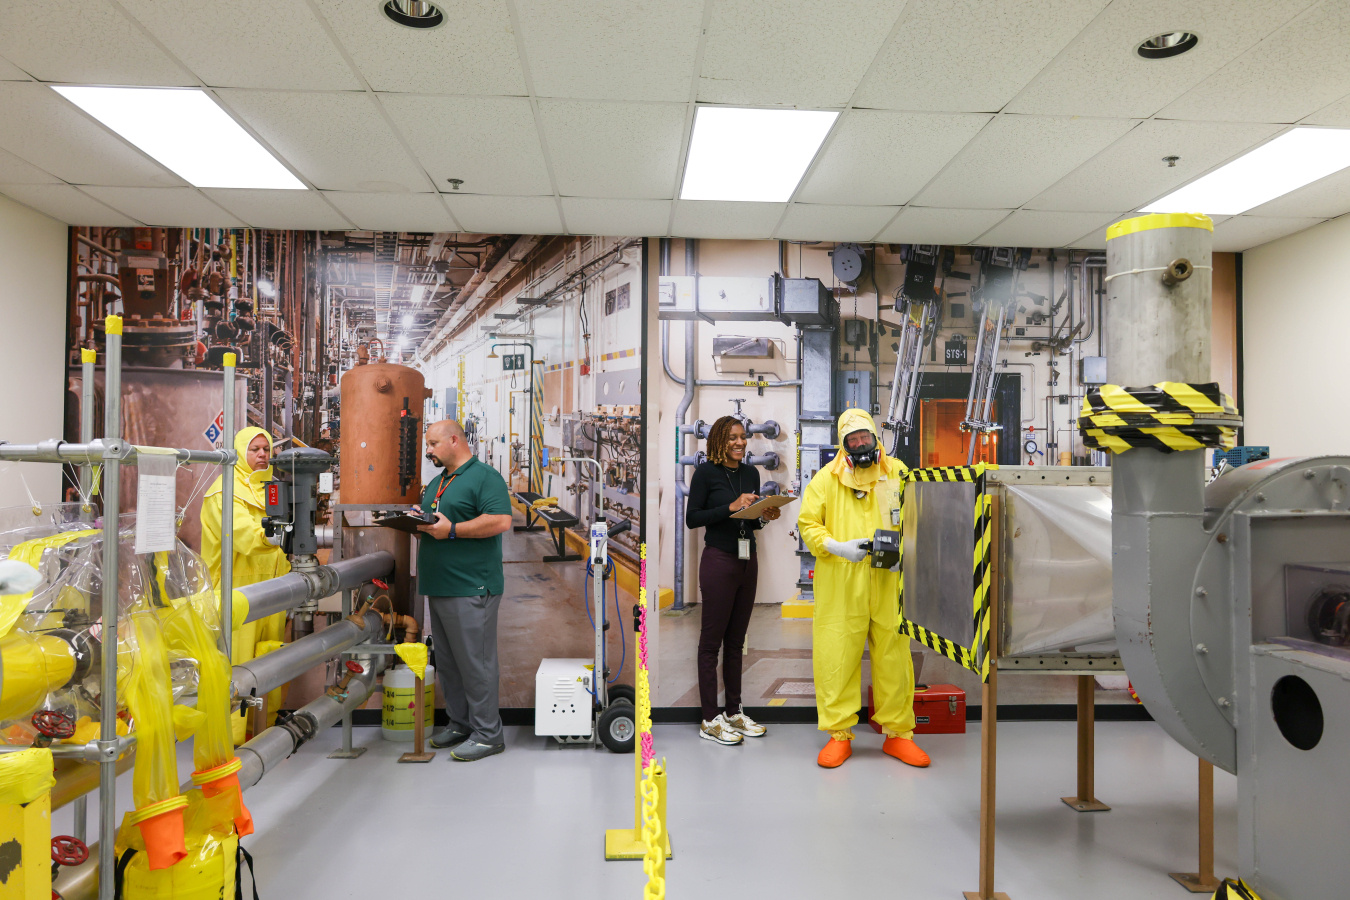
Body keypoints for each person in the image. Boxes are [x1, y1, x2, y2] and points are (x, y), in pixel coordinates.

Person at [798, 408, 927, 769]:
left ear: (875, 438)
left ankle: (898, 734)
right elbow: (808, 524)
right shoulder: (826, 479)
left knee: (894, 658)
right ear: (843, 445)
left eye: (864, 438)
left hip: (889, 581)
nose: (859, 445)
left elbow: (921, 514)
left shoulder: (898, 472)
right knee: (837, 656)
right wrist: (837, 547)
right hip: (842, 582)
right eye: (851, 440)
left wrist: (909, 551)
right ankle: (839, 735)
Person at [416, 418, 513, 762]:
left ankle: (489, 735)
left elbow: (501, 520)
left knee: (477, 663)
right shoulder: (440, 481)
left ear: (454, 440)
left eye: (432, 444)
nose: (428, 451)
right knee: (450, 663)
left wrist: (453, 529)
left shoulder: (484, 478)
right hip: (440, 584)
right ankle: (460, 723)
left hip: (471, 585)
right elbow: (437, 521)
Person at [685, 416, 781, 745]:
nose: (740, 443)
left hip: (746, 561)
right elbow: (692, 518)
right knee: (711, 644)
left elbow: (749, 523)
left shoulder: (751, 473)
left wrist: (764, 516)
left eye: (743, 437)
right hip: (718, 561)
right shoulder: (705, 474)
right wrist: (730, 506)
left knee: (737, 643)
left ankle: (734, 712)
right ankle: (710, 720)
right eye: (733, 438)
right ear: (718, 441)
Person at [201, 426, 289, 742]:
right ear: (240, 453)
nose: (263, 455)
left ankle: (263, 727)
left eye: (266, 449)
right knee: (237, 664)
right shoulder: (223, 491)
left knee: (270, 655)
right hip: (235, 593)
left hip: (272, 589)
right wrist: (276, 535)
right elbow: (245, 537)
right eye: (255, 450)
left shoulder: (271, 489)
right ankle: (231, 736)